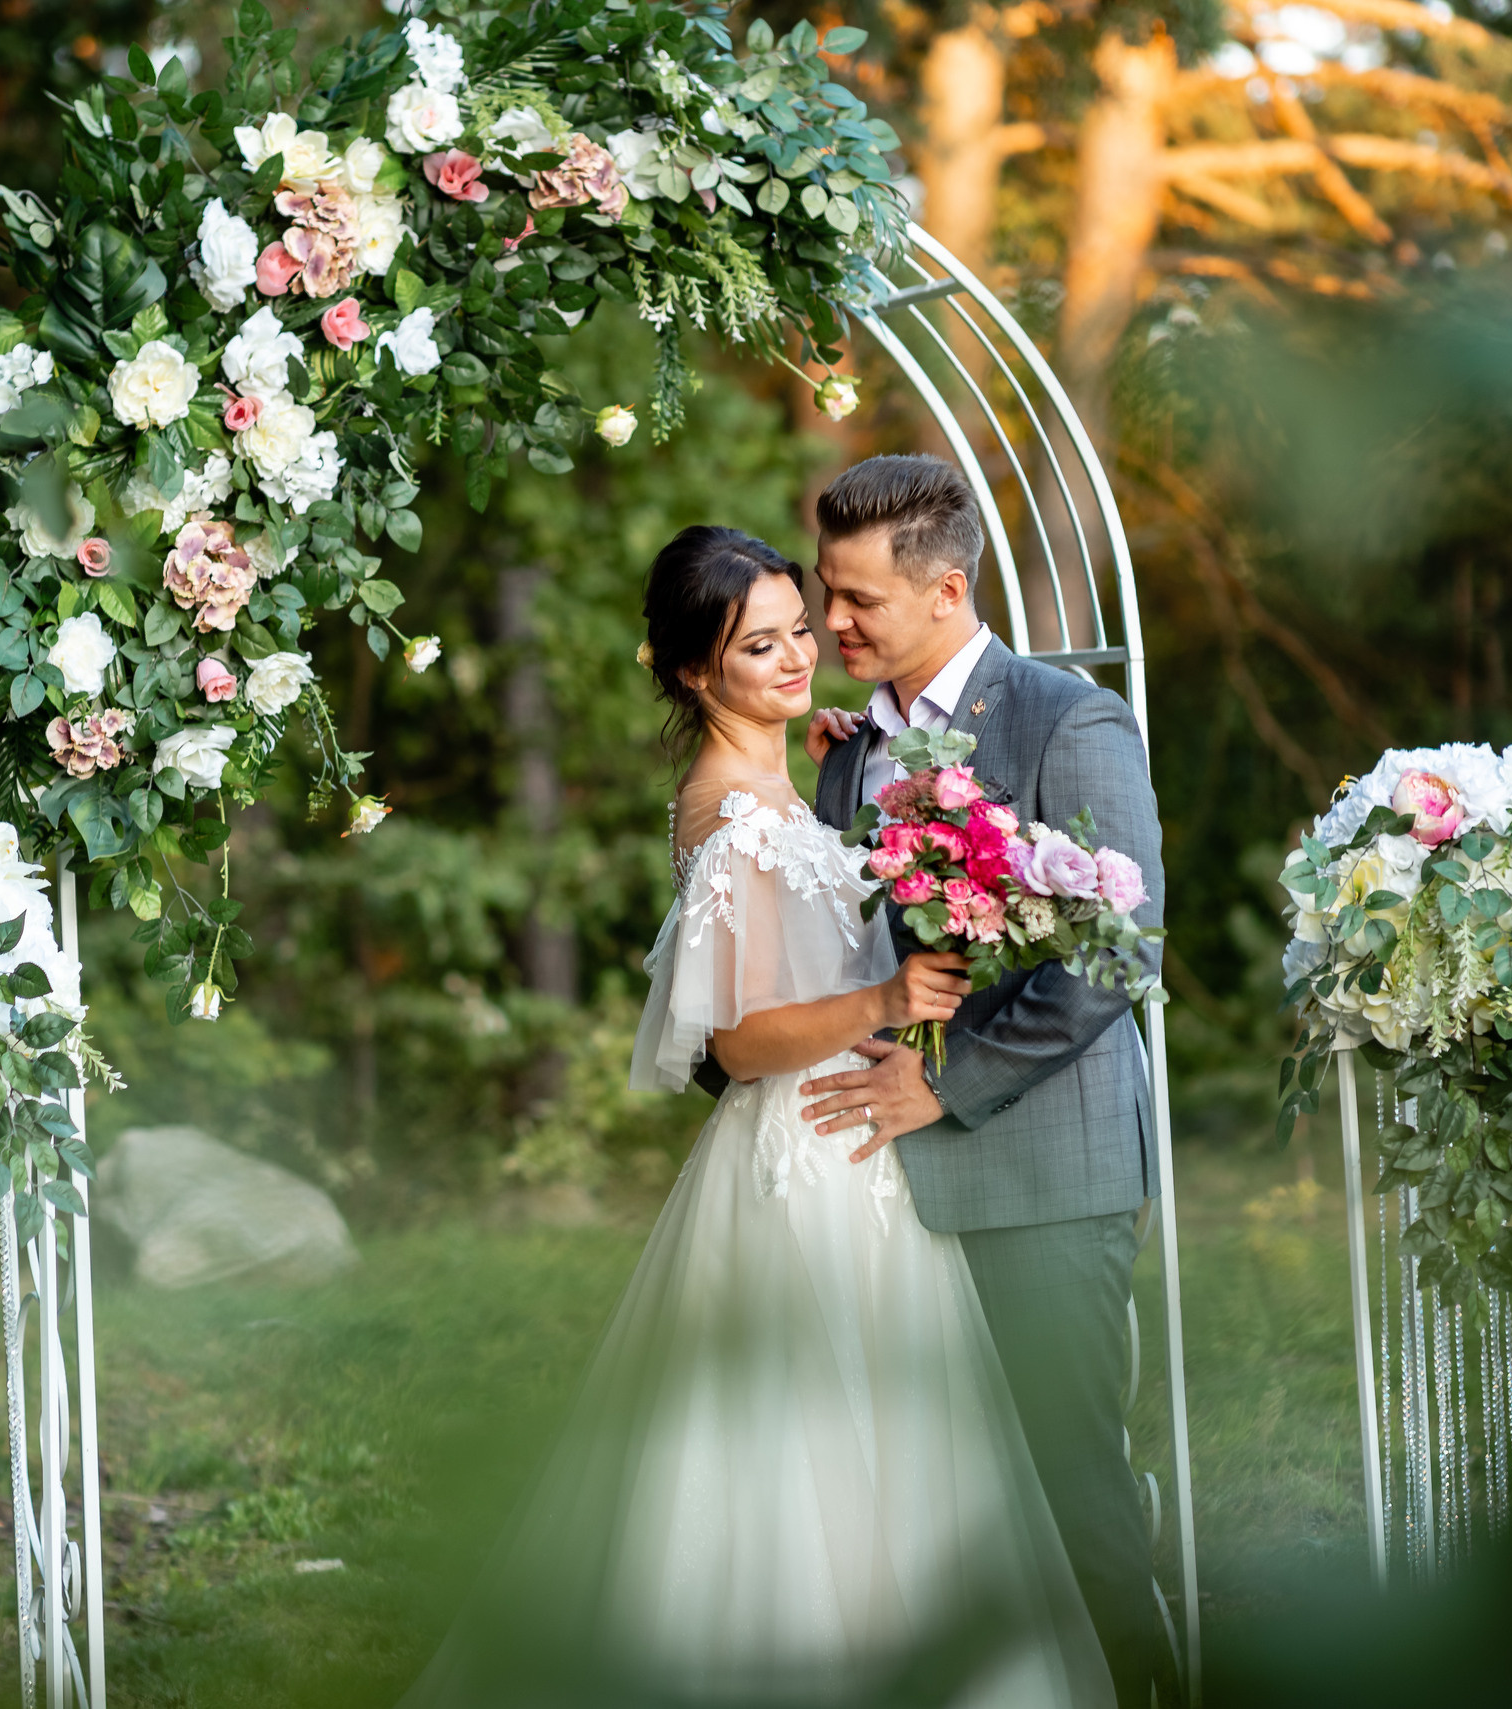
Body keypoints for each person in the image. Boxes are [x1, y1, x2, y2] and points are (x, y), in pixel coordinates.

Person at [400, 525, 1116, 1709]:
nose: (795, 659)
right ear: (692, 670)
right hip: (802, 1152)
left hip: (859, 1146)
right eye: (757, 645)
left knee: (896, 1449)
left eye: (798, 629)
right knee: (801, 1453)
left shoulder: (803, 769)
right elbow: (737, 1040)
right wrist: (884, 1000)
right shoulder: (728, 814)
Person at [789, 454, 1176, 1708]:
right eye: (823, 592)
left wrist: (944, 1090)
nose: (830, 623)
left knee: (1072, 1489)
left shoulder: (1065, 721)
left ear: (947, 587)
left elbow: (1119, 954)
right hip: (884, 1192)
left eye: (857, 600)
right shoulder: (849, 754)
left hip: (1042, 1172)